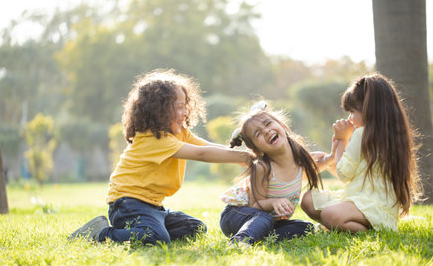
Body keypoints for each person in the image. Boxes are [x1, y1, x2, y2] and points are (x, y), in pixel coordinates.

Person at [68, 69, 252, 245]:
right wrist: (245, 157)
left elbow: (206, 146)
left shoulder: (180, 133)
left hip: (153, 207)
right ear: (159, 110)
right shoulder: (154, 139)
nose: (185, 112)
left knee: (195, 228)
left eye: (185, 107)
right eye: (179, 107)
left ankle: (145, 229)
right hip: (128, 204)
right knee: (156, 237)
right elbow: (201, 154)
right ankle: (100, 234)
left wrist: (244, 155)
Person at [301, 73, 422, 232]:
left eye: (352, 112)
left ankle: (360, 229)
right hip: (371, 206)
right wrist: (334, 157)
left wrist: (342, 141)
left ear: (370, 110)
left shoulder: (361, 134)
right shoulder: (394, 137)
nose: (350, 118)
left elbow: (344, 174)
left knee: (328, 213)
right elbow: (358, 178)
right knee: (308, 200)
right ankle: (345, 224)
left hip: (368, 205)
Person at [219, 101, 322, 246]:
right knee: (264, 219)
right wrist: (274, 202)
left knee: (305, 227)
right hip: (237, 215)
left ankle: (262, 237)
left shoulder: (299, 158)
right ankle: (241, 241)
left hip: (267, 220)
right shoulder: (263, 167)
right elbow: (255, 205)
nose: (266, 131)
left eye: (268, 124)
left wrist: (338, 146)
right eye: (258, 134)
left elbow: (320, 164)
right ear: (258, 150)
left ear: (283, 127)